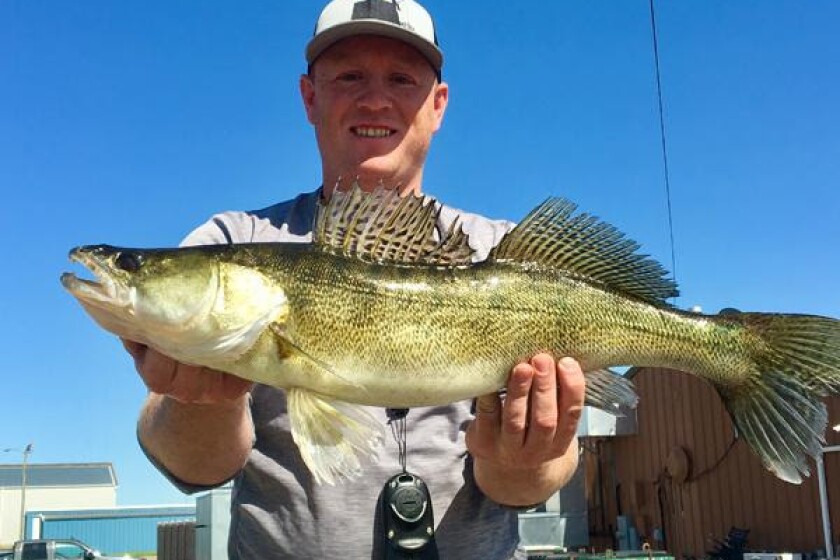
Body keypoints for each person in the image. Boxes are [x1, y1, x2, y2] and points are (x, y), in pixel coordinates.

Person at [126, 1, 586, 558]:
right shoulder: (230, 239)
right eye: (349, 77)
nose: (375, 99)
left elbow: (524, 488)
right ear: (309, 97)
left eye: (402, 79)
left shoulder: (506, 257)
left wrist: (528, 458)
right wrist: (199, 400)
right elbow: (193, 466)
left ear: (438, 104)